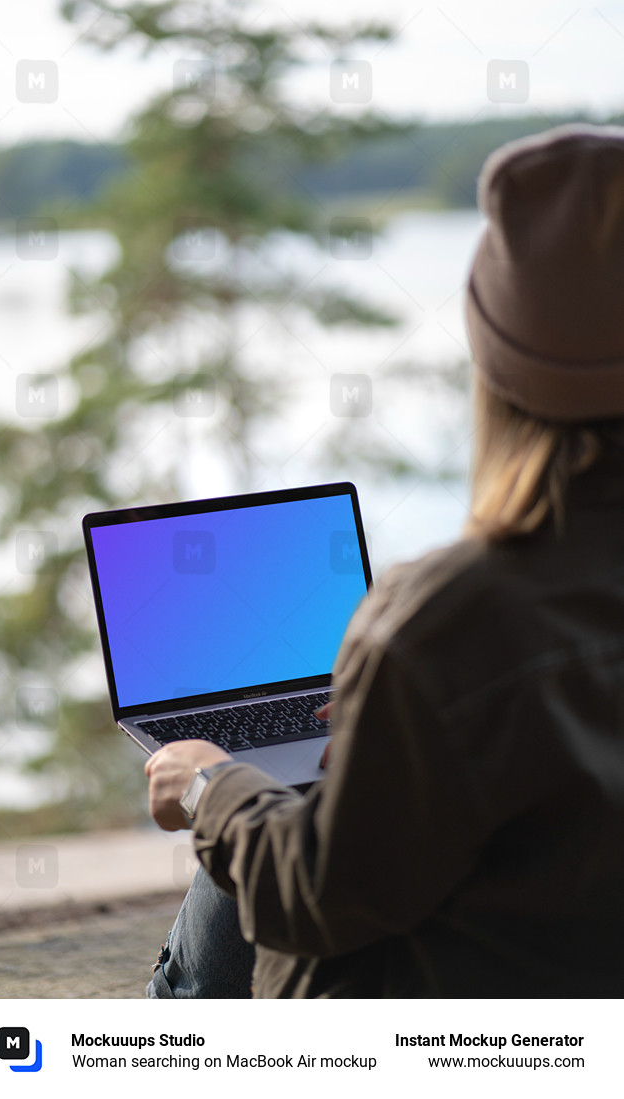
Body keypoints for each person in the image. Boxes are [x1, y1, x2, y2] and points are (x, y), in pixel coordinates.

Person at [145, 123, 624, 998]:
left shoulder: (449, 618)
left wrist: (210, 783)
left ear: (497, 373)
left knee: (249, 842)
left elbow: (316, 899)